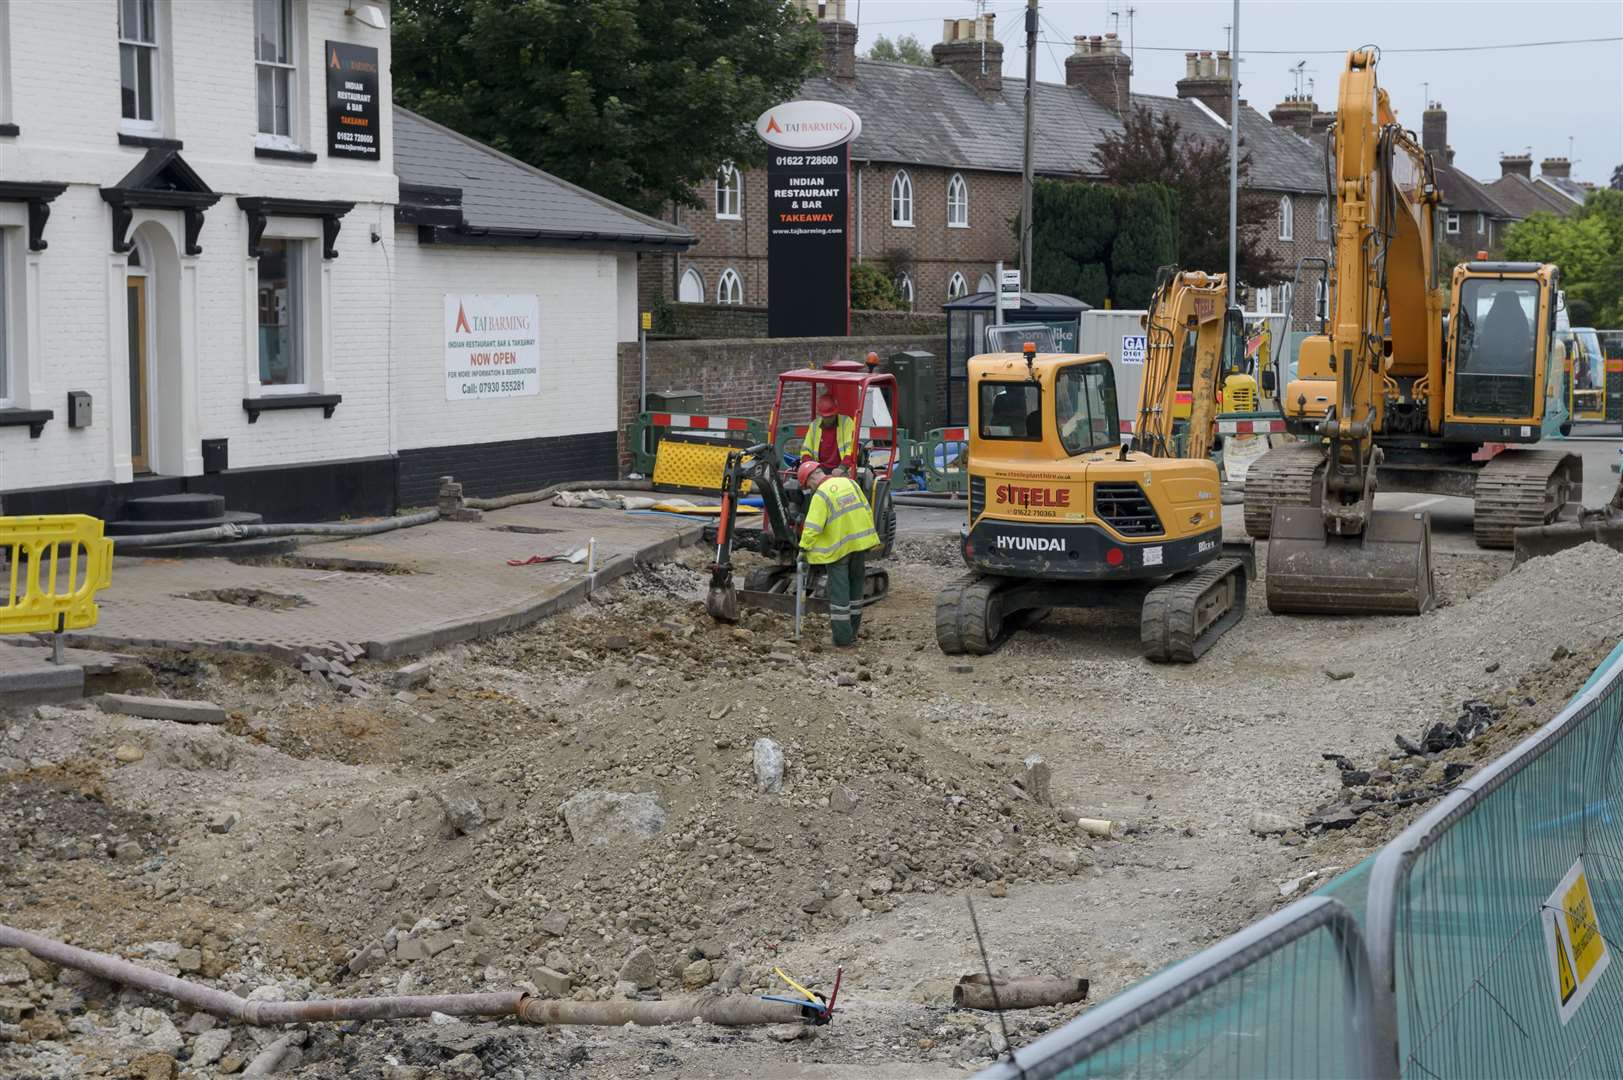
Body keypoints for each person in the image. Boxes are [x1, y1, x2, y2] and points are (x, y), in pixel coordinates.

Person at [796, 460, 881, 646]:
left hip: (839, 550)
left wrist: (803, 549)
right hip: (859, 545)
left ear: (811, 480)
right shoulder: (849, 482)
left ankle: (842, 638)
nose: (809, 489)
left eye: (807, 485)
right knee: (856, 590)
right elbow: (866, 509)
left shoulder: (821, 494)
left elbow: (812, 527)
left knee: (840, 594)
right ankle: (852, 632)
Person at [800, 392, 856, 473]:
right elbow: (805, 451)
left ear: (836, 413)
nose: (828, 420)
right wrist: (813, 469)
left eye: (831, 416)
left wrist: (842, 468)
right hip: (819, 469)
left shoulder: (846, 422)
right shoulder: (814, 425)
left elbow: (851, 449)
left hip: (842, 467)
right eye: (825, 417)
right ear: (821, 415)